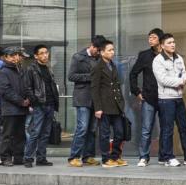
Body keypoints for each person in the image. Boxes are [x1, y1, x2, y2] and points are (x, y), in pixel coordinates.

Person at [152, 33, 186, 167]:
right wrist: (180, 81)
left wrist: (184, 78)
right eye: (169, 42)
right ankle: (168, 157)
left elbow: (184, 72)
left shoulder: (179, 57)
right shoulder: (158, 61)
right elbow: (162, 79)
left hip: (179, 97)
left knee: (184, 128)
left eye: (173, 42)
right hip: (166, 99)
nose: (173, 44)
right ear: (162, 45)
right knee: (168, 129)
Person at [129, 29, 163, 166]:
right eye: (149, 37)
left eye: (153, 37)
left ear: (160, 39)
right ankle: (143, 156)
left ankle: (165, 156)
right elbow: (133, 74)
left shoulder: (167, 54)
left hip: (165, 97)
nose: (150, 40)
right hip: (148, 97)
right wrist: (136, 92)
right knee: (146, 128)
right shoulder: (144, 55)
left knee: (165, 128)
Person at [91, 41, 128, 167]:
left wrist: (122, 103)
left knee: (120, 132)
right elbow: (94, 89)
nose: (112, 52)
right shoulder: (97, 67)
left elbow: (118, 85)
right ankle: (106, 159)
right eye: (109, 50)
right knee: (105, 134)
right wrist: (98, 108)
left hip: (116, 105)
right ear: (102, 52)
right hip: (104, 106)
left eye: (113, 50)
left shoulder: (113, 65)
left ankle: (115, 156)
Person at [67, 37, 101, 168]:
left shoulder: (98, 59)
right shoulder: (78, 57)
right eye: (97, 50)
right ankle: (74, 156)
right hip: (82, 97)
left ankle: (88, 156)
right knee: (82, 127)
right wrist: (89, 77)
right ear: (92, 46)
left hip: (95, 98)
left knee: (92, 129)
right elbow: (71, 76)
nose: (98, 53)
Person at [0, 48, 31, 167]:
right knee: (8, 134)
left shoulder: (20, 69)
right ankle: (5, 157)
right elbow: (5, 90)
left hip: (21, 107)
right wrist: (21, 101)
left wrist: (29, 99)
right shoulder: (3, 71)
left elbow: (25, 86)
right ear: (6, 57)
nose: (15, 58)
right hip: (10, 108)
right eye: (12, 55)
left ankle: (19, 157)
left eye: (17, 55)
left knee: (20, 134)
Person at [24, 44, 60, 168]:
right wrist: (35, 102)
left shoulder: (49, 68)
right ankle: (28, 158)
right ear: (36, 56)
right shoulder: (31, 69)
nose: (45, 55)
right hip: (39, 105)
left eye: (46, 52)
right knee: (35, 132)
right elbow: (28, 87)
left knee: (45, 133)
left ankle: (41, 158)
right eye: (42, 53)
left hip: (50, 104)